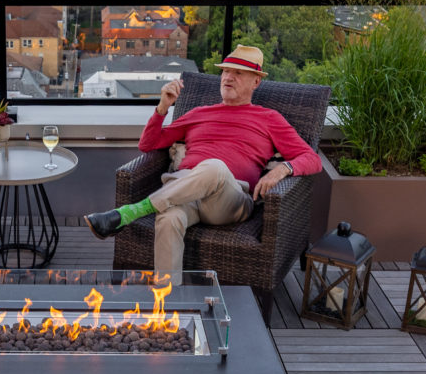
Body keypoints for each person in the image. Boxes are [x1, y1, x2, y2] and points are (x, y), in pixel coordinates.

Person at [83, 45, 320, 278]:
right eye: (226, 71)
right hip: (186, 192)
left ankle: (129, 213)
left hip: (230, 199)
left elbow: (311, 159)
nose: (228, 77)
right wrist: (163, 107)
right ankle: (167, 303)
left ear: (255, 82)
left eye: (238, 73)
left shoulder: (269, 119)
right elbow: (148, 145)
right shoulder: (198, 113)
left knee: (214, 167)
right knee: (168, 218)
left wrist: (282, 170)